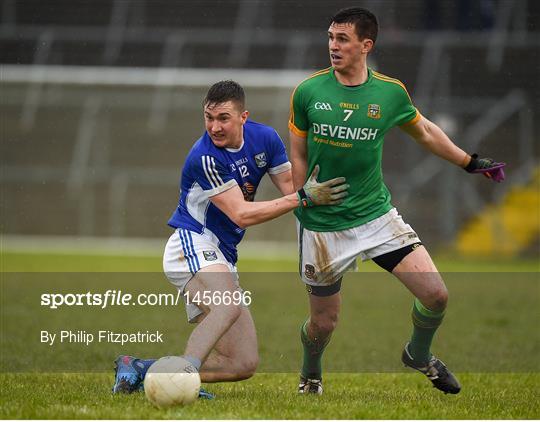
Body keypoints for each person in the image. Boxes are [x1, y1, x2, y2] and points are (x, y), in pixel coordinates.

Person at [288, 7, 505, 395]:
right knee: (323, 324)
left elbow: (422, 130)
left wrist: (468, 161)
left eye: (342, 39)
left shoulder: (390, 93)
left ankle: (418, 355)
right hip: (323, 226)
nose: (333, 46)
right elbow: (298, 153)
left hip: (375, 216)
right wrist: (303, 196)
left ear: (366, 45)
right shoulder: (309, 91)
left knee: (436, 295)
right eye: (330, 38)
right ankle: (311, 374)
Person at [112, 80, 348, 396]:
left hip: (222, 254)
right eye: (209, 118)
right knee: (227, 305)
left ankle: (140, 368)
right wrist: (304, 197)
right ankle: (183, 380)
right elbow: (241, 213)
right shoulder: (205, 157)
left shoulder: (266, 139)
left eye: (223, 118)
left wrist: (330, 208)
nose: (214, 126)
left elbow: (293, 192)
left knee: (241, 363)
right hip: (192, 243)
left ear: (243, 117)